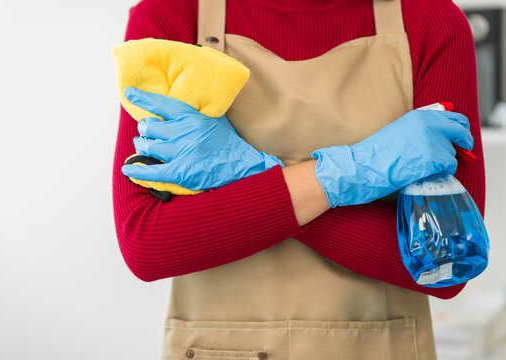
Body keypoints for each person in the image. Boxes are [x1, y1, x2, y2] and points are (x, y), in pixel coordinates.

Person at [112, 0, 485, 358]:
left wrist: (254, 177)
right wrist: (344, 174)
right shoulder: (173, 15)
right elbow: (147, 241)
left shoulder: (429, 19)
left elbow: (448, 262)